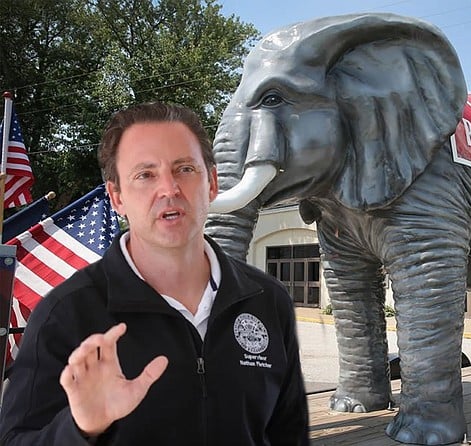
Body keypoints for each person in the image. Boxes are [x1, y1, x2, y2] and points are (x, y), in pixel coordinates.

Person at [0, 102, 310, 445]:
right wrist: (80, 427)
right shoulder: (64, 314)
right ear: (116, 197)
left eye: (185, 169)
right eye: (145, 174)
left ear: (212, 183)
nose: (169, 189)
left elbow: (289, 433)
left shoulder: (268, 301)